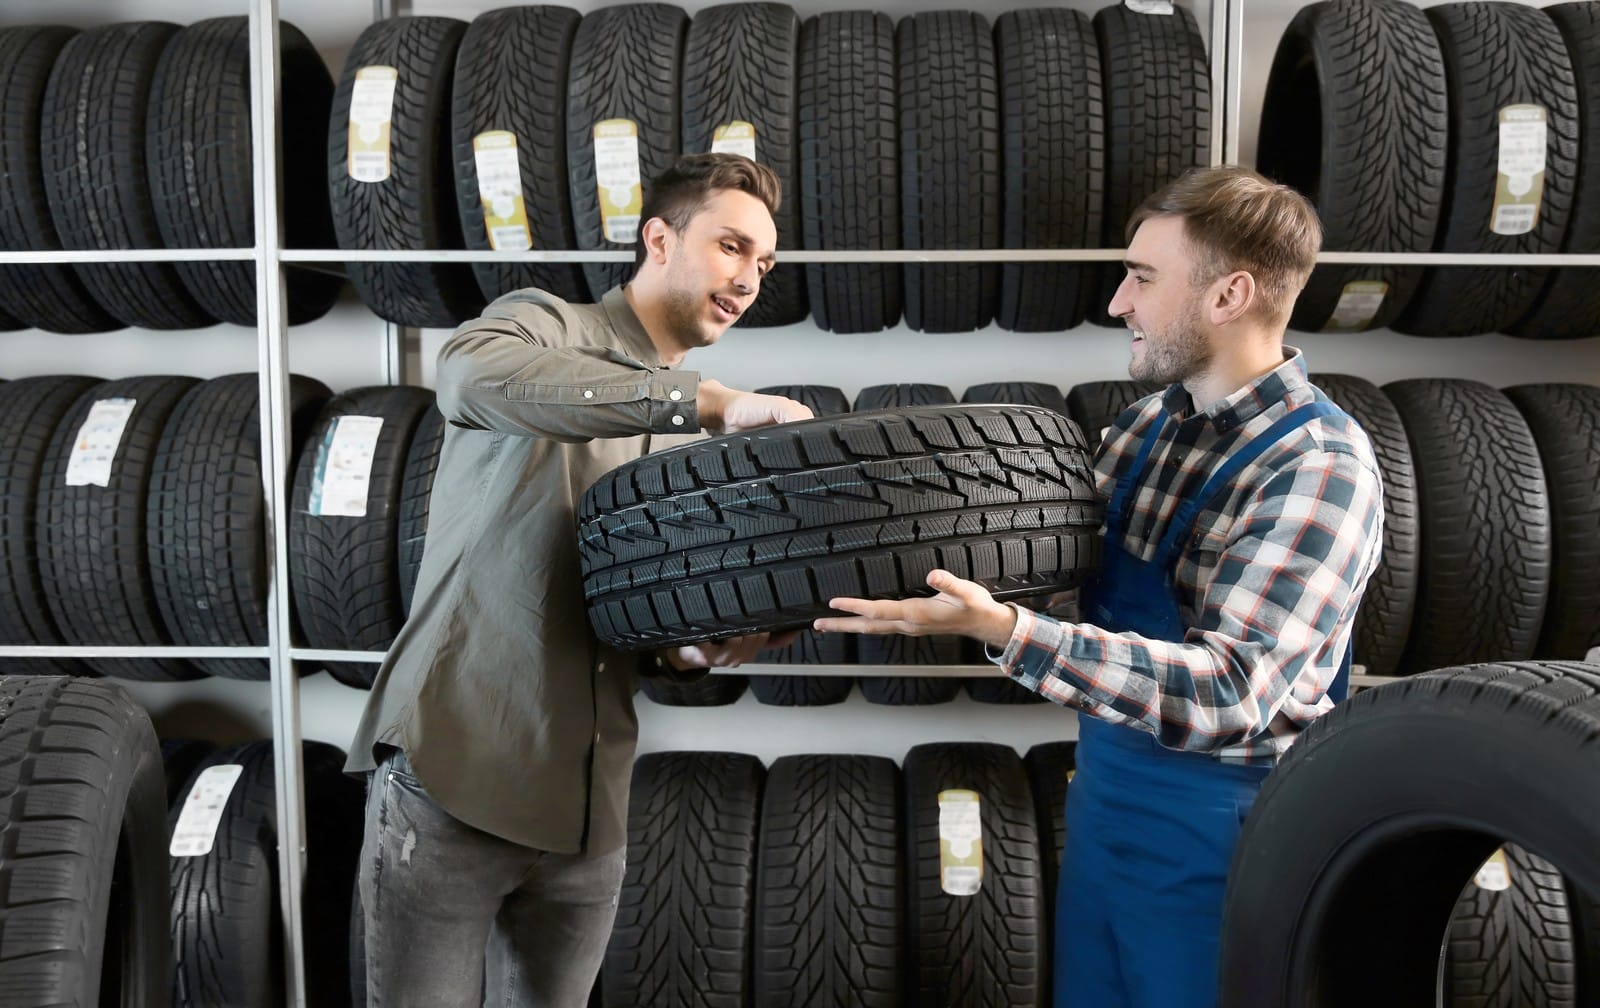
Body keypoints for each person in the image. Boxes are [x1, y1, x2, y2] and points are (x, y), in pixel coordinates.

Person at [815, 166, 1384, 1008]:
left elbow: (1234, 692)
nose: (1119, 301)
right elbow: (1062, 580)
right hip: (1108, 802)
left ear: (1229, 295)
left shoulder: (1316, 468)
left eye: (1144, 278)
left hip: (1228, 831)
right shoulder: (1148, 427)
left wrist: (1005, 632)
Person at [346, 153, 811, 1008]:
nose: (749, 280)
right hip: (457, 777)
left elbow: (645, 625)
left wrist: (700, 647)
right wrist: (700, 403)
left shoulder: (694, 447)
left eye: (766, 264)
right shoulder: (542, 327)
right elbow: (466, 376)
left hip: (591, 814)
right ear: (660, 239)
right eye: (733, 247)